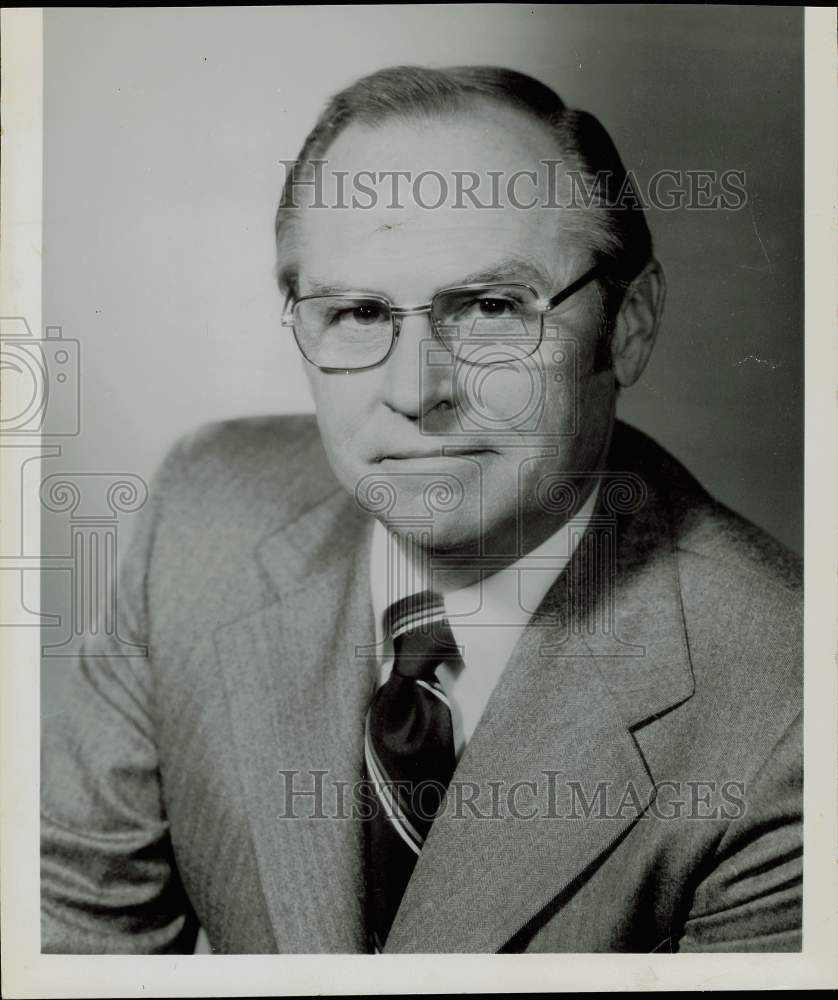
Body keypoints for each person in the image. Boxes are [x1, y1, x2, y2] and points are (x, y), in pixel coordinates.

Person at [41, 65, 802, 954]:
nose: (416, 392)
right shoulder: (199, 513)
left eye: (488, 307)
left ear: (627, 326)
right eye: (359, 312)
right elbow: (70, 947)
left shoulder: (790, 709)